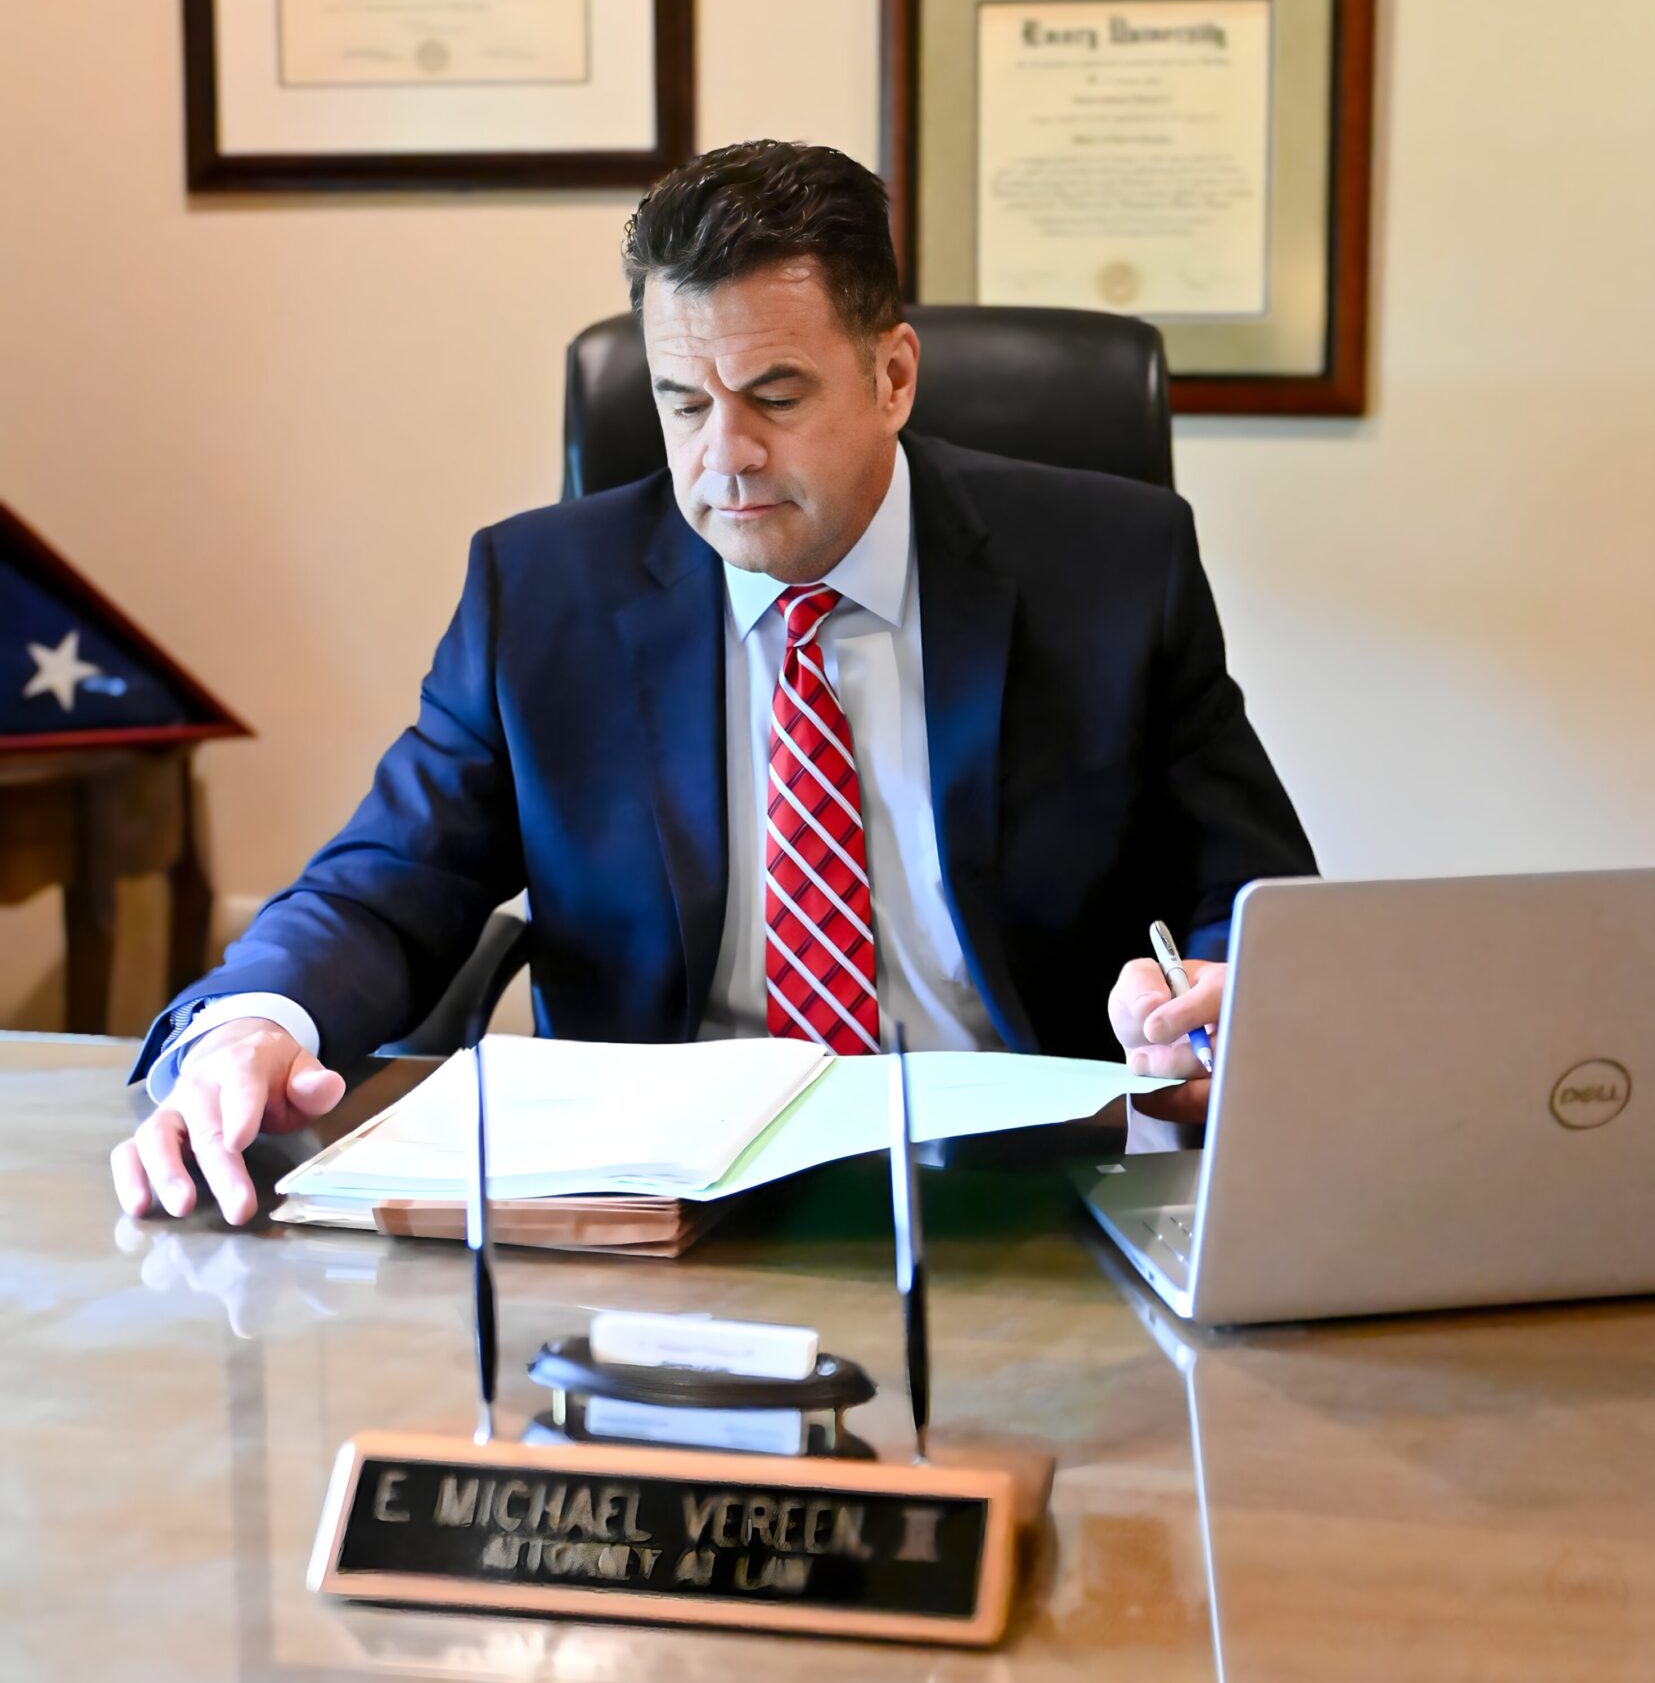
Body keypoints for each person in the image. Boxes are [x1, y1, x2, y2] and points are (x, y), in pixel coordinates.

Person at [111, 141, 1315, 1225]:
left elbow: (1251, 900)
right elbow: (388, 882)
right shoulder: (542, 595)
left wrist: (1212, 1001)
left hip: (1029, 1181)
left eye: (775, 399)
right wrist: (254, 1023)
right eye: (681, 402)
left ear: (893, 378)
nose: (721, 457)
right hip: (659, 1207)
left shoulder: (1110, 569)